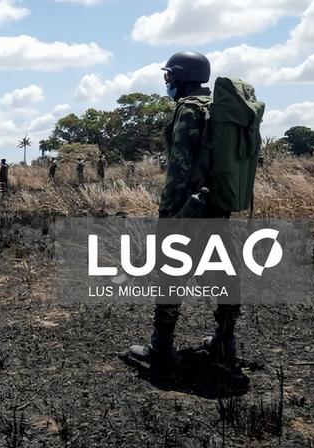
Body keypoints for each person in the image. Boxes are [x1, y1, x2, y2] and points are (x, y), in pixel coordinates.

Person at [126, 51, 242, 383]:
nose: (167, 83)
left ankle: (162, 347)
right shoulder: (218, 109)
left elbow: (179, 167)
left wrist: (169, 215)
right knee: (224, 275)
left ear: (182, 77)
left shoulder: (189, 109)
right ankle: (225, 343)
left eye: (168, 77)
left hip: (190, 208)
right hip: (218, 205)